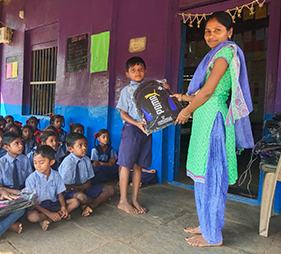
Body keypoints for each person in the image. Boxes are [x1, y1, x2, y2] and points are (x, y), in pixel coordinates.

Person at [171, 12, 254, 247]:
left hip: (214, 120)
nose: (211, 35)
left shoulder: (227, 52)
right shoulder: (213, 56)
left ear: (229, 32)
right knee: (202, 175)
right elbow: (203, 92)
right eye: (208, 31)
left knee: (212, 176)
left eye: (217, 30)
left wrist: (186, 111)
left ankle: (213, 235)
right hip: (204, 118)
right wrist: (184, 97)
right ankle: (205, 222)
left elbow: (208, 93)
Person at [116, 56, 170, 214]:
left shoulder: (151, 88)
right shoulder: (127, 91)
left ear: (145, 71)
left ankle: (134, 200)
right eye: (133, 70)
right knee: (126, 164)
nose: (137, 72)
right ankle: (123, 201)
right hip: (132, 130)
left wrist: (165, 89)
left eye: (140, 69)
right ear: (127, 74)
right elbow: (123, 114)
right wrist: (136, 123)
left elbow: (164, 104)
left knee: (139, 165)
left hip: (147, 131)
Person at [59, 133, 114, 217]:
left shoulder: (87, 159)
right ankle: (94, 201)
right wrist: (81, 188)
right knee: (82, 197)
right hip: (69, 192)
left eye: (85, 145)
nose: (84, 148)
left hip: (85, 188)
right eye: (80, 146)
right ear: (70, 149)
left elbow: (88, 181)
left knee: (110, 189)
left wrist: (85, 187)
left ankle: (88, 206)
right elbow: (64, 186)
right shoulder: (68, 163)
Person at [26, 145, 80, 230]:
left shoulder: (56, 175)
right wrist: (48, 213)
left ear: (51, 162)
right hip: (39, 206)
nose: (38, 166)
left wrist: (63, 206)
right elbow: (32, 202)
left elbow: (60, 194)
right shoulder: (31, 179)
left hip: (53, 204)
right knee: (32, 217)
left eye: (41, 162)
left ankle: (49, 219)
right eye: (35, 162)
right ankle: (57, 216)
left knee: (75, 202)